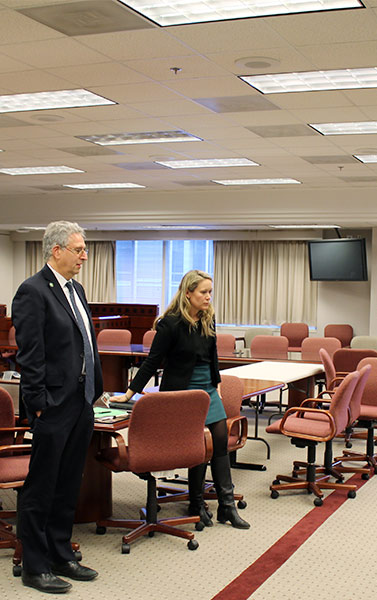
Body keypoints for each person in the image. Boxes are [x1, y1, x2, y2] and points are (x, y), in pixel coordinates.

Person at [112, 269, 249, 530]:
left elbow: (212, 355)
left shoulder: (208, 318)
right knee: (198, 444)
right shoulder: (170, 323)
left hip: (207, 388)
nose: (208, 297)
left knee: (219, 441)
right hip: (182, 392)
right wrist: (130, 393)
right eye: (203, 292)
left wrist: (217, 383)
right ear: (188, 293)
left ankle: (227, 506)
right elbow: (152, 361)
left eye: (210, 292)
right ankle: (196, 503)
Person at [12, 221, 103, 593]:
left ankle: (61, 554)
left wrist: (94, 392)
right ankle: (34, 566)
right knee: (42, 486)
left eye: (84, 250)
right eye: (79, 250)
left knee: (68, 483)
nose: (84, 256)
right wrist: (38, 405)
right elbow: (30, 355)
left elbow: (82, 345)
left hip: (81, 401)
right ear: (56, 250)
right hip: (52, 405)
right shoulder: (33, 291)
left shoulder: (75, 289)